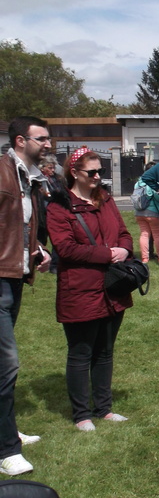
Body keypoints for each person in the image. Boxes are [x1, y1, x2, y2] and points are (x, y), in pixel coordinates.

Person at [46, 147, 133, 432]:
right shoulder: (59, 206)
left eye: (101, 172)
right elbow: (66, 248)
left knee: (105, 351)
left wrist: (124, 249)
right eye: (92, 172)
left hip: (112, 288)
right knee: (81, 353)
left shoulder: (105, 200)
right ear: (74, 173)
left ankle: (104, 408)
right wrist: (108, 254)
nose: (98, 177)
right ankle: (82, 415)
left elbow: (124, 233)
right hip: (80, 290)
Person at [0, 116, 52, 475]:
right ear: (21, 140)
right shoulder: (2, 172)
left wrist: (37, 249)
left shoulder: (28, 176)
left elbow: (19, 224)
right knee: (7, 364)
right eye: (42, 138)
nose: (48, 144)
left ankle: (5, 428)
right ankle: (6, 449)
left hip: (15, 275)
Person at [133, 162, 159, 264]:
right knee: (157, 234)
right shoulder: (152, 183)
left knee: (144, 235)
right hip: (152, 212)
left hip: (139, 212)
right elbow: (157, 197)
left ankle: (145, 258)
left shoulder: (138, 183)